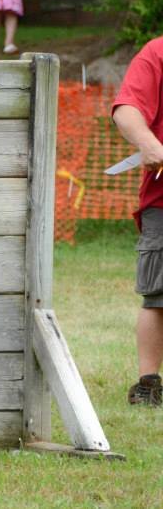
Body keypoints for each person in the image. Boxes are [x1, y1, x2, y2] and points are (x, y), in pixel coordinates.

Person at [112, 38, 163, 407]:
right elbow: (126, 108)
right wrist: (148, 143)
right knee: (158, 297)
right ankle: (149, 385)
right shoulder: (158, 53)